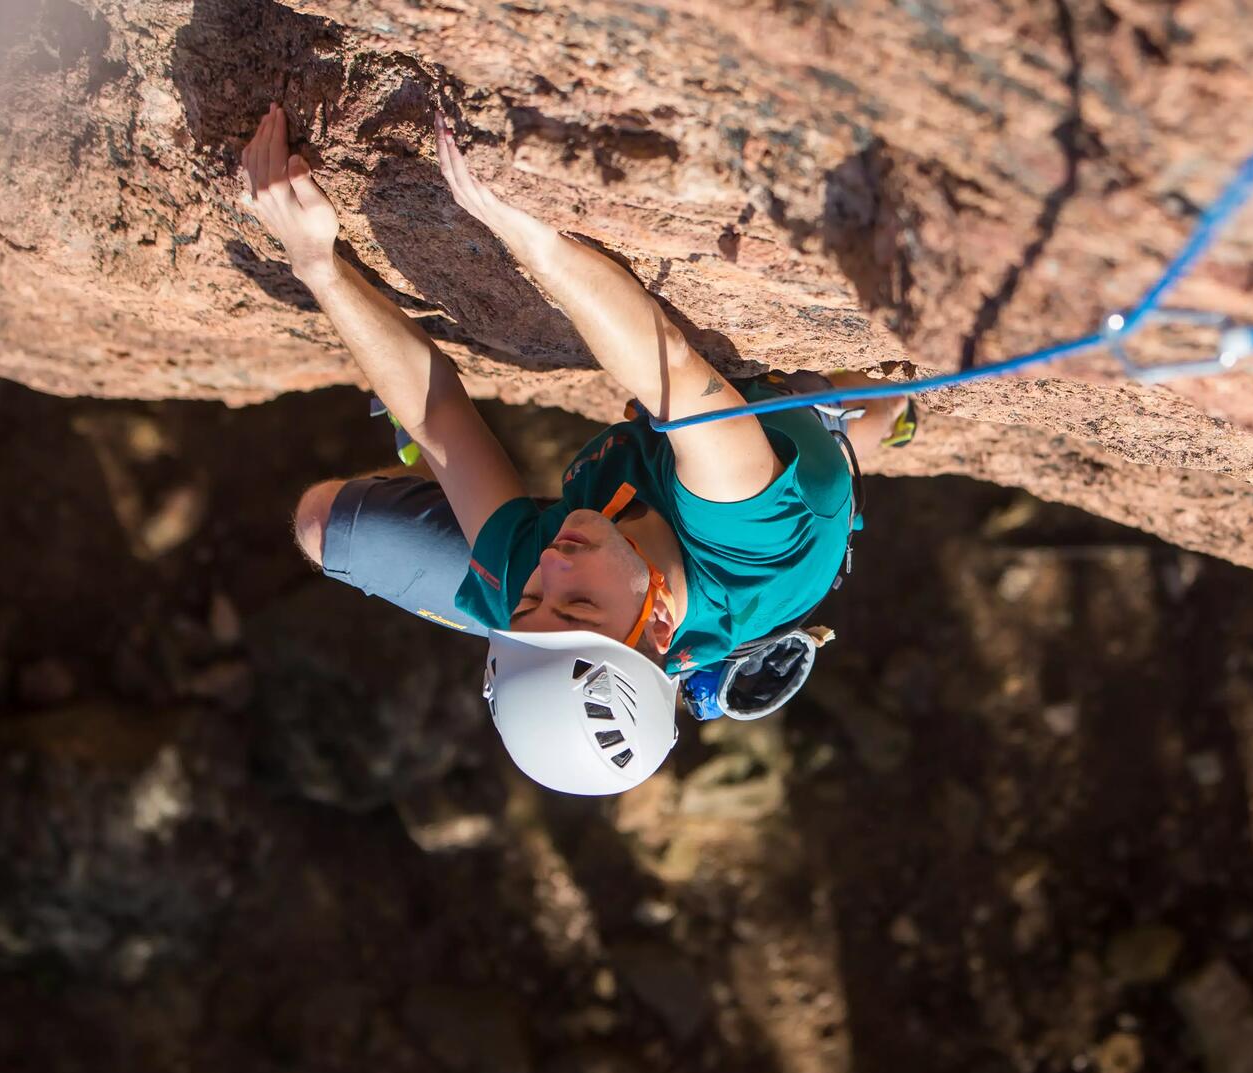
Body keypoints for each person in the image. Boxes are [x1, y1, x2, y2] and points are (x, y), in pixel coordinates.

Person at [236, 103, 917, 795]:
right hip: (777, 465)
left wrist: (315, 262)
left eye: (532, 603)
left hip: (643, 543)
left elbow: (439, 415)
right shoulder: (751, 545)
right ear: (656, 624)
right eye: (577, 608)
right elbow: (674, 375)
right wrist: (528, 234)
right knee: (856, 404)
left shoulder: (545, 582)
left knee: (325, 527)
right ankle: (883, 417)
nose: (552, 566)